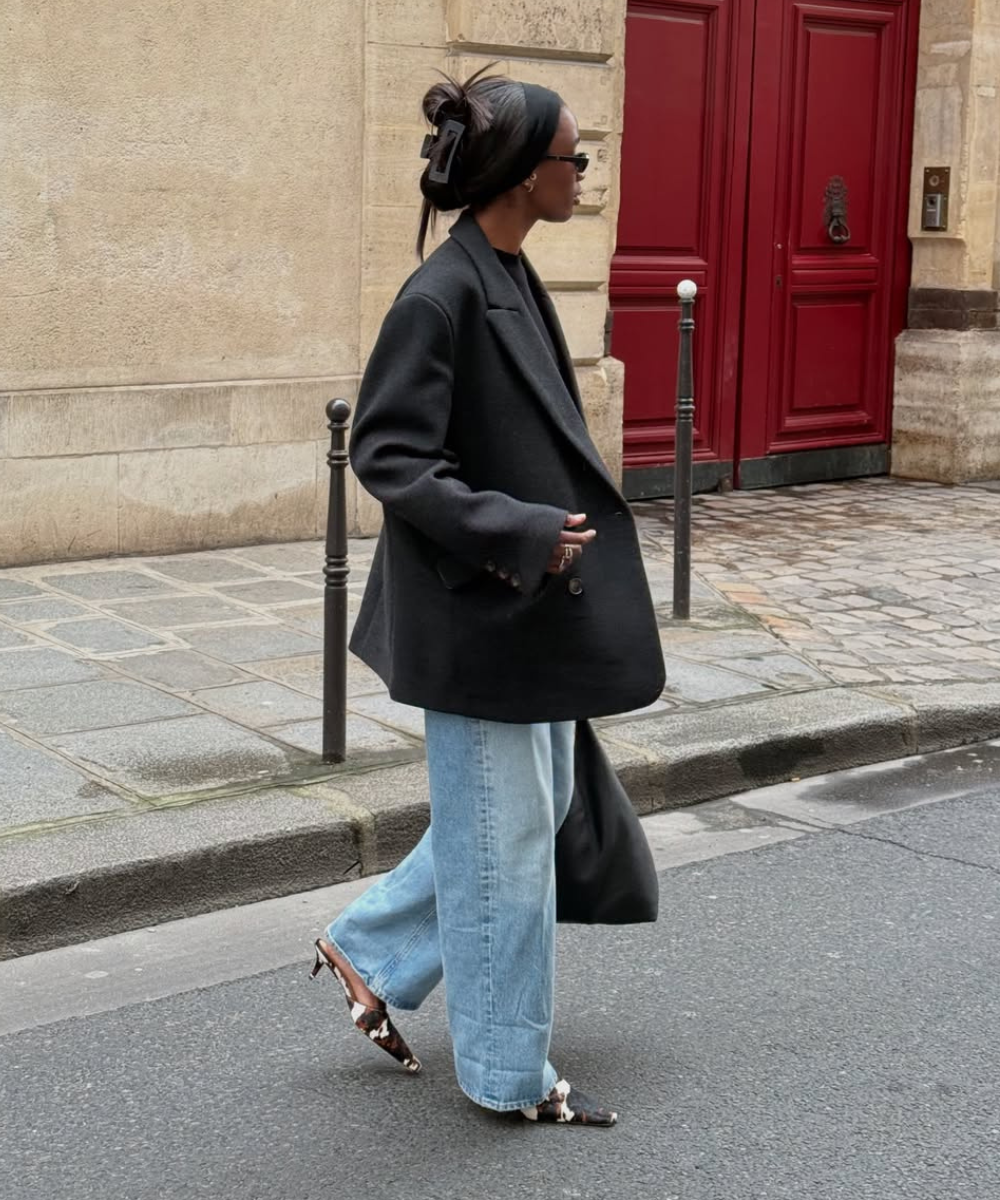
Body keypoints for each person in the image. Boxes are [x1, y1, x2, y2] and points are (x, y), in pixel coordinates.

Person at [310, 67, 665, 1127]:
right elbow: (389, 455)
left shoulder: (507, 270)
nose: (583, 176)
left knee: (525, 817)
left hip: (525, 614)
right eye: (573, 160)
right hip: (476, 613)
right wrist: (518, 533)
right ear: (521, 173)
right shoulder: (442, 293)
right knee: (504, 847)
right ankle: (511, 1077)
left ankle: (369, 949)